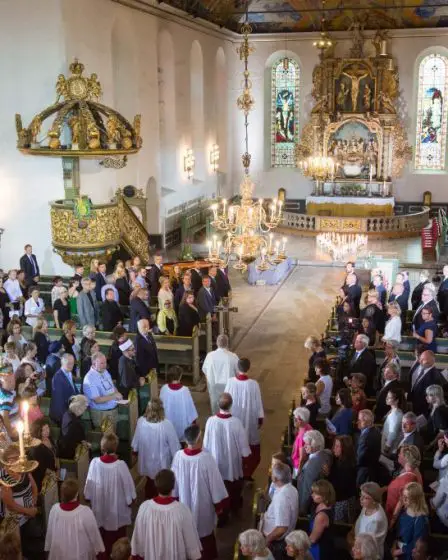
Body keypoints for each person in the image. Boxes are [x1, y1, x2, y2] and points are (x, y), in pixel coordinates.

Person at [172, 424, 228, 559]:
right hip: (203, 504)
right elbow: (215, 484)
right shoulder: (206, 458)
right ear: (198, 440)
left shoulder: (178, 456)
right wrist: (220, 505)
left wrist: (175, 499)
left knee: (186, 534)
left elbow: (174, 482)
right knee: (205, 537)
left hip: (184, 503)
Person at [84, 432, 136, 558]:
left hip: (100, 511)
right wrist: (131, 500)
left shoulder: (94, 464)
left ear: (102, 448)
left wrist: (89, 498)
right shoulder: (121, 466)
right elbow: (130, 492)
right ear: (116, 447)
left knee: (102, 545)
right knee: (119, 547)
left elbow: (88, 492)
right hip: (116, 515)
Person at [130, 468, 202, 560]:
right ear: (173, 486)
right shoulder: (182, 510)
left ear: (156, 485)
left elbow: (138, 539)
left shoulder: (144, 508)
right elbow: (190, 542)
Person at [203, 392, 251, 517]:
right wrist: (246, 457)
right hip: (232, 462)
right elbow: (243, 445)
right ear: (231, 405)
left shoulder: (210, 421)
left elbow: (206, 443)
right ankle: (234, 507)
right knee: (233, 487)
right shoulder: (236, 422)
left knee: (218, 488)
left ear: (218, 405)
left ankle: (222, 513)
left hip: (216, 461)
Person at [131, 398, 180, 499]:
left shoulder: (141, 422)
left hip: (146, 459)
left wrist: (136, 451)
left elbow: (136, 442)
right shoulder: (166, 424)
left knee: (149, 482)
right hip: (161, 461)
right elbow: (174, 446)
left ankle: (149, 501)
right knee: (161, 483)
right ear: (161, 410)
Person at [45, 478, 105, 560]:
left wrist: (48, 548)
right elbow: (94, 535)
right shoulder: (85, 512)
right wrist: (100, 552)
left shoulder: (54, 510)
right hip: (79, 554)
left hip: (59, 553)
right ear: (77, 494)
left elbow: (50, 533)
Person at [224, 357, 264, 480]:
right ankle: (246, 473)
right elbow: (258, 403)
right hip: (248, 420)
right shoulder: (253, 384)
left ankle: (234, 471)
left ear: (237, 367)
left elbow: (225, 399)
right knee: (248, 445)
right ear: (249, 368)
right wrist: (260, 418)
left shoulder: (230, 382)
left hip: (233, 419)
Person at [0, 444, 42, 559]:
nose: (15, 461)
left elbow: (34, 486)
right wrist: (29, 511)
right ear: (6, 462)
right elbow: (10, 505)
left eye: (17, 457)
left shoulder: (24, 469)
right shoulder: (4, 479)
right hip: (16, 522)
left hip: (29, 513)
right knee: (20, 549)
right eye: (11, 459)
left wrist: (34, 500)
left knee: (37, 545)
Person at [261, 462, 298, 557]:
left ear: (275, 479)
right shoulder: (291, 488)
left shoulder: (282, 497)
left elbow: (281, 528)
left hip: (276, 543)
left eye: (272, 473)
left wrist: (267, 540)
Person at [83, 352, 122, 430]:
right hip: (101, 414)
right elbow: (97, 400)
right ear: (94, 364)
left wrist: (117, 393)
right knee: (104, 439)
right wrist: (114, 396)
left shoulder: (104, 371)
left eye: (105, 362)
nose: (105, 365)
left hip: (113, 410)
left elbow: (112, 386)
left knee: (113, 438)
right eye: (102, 363)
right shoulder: (89, 378)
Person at [390, 482, 429, 560]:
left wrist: (398, 552)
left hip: (408, 554)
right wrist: (394, 545)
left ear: (415, 499)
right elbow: (398, 532)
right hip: (398, 548)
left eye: (407, 497)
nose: (404, 500)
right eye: (403, 496)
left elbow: (416, 544)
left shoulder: (420, 519)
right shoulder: (405, 509)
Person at [297, 430, 332, 515]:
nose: (304, 446)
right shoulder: (324, 454)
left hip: (310, 505)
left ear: (315, 445)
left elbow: (307, 488)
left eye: (307, 444)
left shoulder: (313, 464)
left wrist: (302, 509)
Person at [159, 365, 198, 441]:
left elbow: (160, 407)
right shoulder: (185, 390)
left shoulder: (164, 388)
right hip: (182, 425)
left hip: (167, 424)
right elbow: (190, 409)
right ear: (180, 376)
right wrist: (193, 423)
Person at [202, 334, 239, 414]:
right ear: (227, 343)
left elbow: (205, 371)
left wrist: (209, 385)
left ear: (217, 343)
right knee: (228, 409)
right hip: (228, 387)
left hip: (214, 387)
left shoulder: (210, 356)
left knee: (215, 408)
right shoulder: (233, 356)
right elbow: (238, 373)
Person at [385, 445, 423, 521]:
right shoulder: (408, 471)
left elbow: (401, 502)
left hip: (397, 518)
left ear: (406, 458)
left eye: (401, 453)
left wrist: (392, 522)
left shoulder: (409, 478)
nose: (398, 454)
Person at [327, 435, 357, 523]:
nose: (334, 449)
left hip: (343, 502)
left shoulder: (347, 466)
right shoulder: (338, 460)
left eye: (337, 446)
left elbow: (339, 487)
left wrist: (328, 474)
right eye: (334, 445)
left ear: (345, 449)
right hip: (342, 500)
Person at [354, 482, 388, 560]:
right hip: (360, 548)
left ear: (374, 500)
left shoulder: (377, 520)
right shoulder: (367, 506)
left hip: (370, 554)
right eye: (361, 495)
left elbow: (369, 545)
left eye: (365, 497)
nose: (361, 499)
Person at [407, 350, 442, 417]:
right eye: (420, 359)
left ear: (431, 360)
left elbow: (432, 401)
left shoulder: (434, 376)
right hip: (415, 408)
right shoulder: (424, 370)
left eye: (423, 359)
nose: (420, 361)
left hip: (422, 412)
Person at [27, 418, 57, 492]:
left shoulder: (49, 438)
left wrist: (57, 468)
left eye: (47, 428)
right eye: (44, 430)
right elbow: (41, 467)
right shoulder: (36, 447)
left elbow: (55, 452)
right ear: (38, 432)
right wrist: (54, 475)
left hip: (54, 470)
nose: (47, 431)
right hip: (44, 477)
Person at [308, 480, 335, 560]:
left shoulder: (322, 515)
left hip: (318, 550)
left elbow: (313, 539)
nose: (312, 495)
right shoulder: (320, 506)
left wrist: (299, 546)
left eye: (315, 493)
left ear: (324, 495)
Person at [49, 353, 78, 424]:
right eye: (69, 363)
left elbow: (72, 389)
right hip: (63, 416)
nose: (71, 366)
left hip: (70, 412)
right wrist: (65, 418)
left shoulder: (68, 373)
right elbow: (58, 401)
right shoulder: (58, 377)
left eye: (72, 363)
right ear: (62, 363)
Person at [58, 394, 88, 459]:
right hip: (72, 453)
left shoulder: (66, 413)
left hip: (62, 448)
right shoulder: (76, 424)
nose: (84, 411)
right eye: (84, 409)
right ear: (79, 409)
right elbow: (82, 442)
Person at [356, 409, 382, 486]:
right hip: (372, 469)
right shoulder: (376, 430)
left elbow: (360, 458)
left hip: (365, 472)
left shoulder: (366, 438)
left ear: (368, 421)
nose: (358, 422)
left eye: (360, 420)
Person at [381, 387, 405, 456]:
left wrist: (386, 448)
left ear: (397, 400)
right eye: (387, 396)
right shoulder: (394, 411)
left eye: (389, 397)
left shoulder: (395, 415)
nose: (386, 398)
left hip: (391, 450)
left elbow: (393, 433)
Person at [291, 407, 312, 478]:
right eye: (294, 417)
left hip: (297, 464)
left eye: (297, 419)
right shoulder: (307, 426)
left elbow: (302, 457)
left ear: (303, 420)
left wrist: (299, 471)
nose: (294, 420)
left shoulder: (303, 436)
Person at [0, 370, 19, 440]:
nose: (13, 383)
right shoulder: (6, 398)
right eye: (9, 381)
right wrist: (11, 434)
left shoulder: (9, 392)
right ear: (2, 382)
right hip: (12, 431)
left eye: (14, 380)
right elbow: (5, 417)